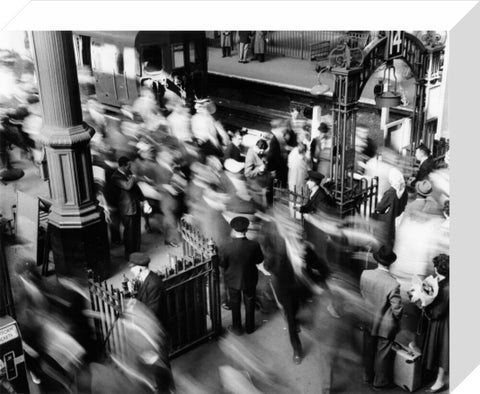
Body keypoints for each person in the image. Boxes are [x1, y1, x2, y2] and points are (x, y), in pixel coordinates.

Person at [360, 246, 403, 390]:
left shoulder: (365, 274)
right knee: (382, 354)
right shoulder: (393, 283)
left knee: (368, 349)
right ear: (390, 263)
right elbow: (397, 310)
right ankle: (380, 382)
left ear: (377, 260)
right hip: (385, 325)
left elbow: (363, 295)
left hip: (368, 319)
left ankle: (367, 376)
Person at [218, 217, 264, 335]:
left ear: (233, 230)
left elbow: (222, 264)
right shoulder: (254, 245)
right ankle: (250, 328)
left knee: (235, 303)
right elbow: (259, 260)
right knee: (250, 302)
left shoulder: (226, 247)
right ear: (246, 229)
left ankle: (237, 328)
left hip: (233, 280)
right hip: (250, 279)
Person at [422, 254, 449, 393]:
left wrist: (424, 306)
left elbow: (438, 312)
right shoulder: (445, 282)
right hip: (447, 321)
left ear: (437, 268)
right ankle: (438, 378)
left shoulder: (445, 288)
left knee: (442, 351)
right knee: (442, 350)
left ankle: (439, 382)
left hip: (442, 323)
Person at [111, 156, 144, 259]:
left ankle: (136, 252)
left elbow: (136, 189)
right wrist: (133, 178)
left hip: (135, 207)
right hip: (127, 209)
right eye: (128, 165)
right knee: (129, 233)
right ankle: (129, 255)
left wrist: (143, 200)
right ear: (123, 166)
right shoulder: (115, 177)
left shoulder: (128, 173)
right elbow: (127, 186)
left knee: (136, 232)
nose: (130, 167)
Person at [128, 253, 169, 333]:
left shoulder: (153, 285)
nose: (131, 270)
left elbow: (152, 313)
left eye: (132, 268)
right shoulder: (146, 279)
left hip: (156, 331)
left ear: (140, 269)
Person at [373, 168, 408, 252]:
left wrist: (379, 200)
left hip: (387, 221)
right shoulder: (404, 190)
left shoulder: (391, 192)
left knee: (383, 242)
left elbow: (380, 207)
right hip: (397, 219)